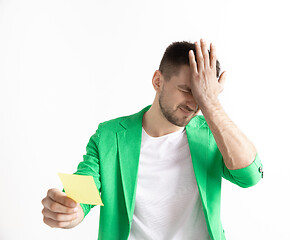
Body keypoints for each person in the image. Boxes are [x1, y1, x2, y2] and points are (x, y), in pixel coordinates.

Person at [41, 39, 264, 240]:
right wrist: (71, 208)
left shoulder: (212, 133)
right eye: (186, 89)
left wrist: (211, 104)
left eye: (201, 94)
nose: (194, 104)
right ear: (158, 81)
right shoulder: (109, 135)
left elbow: (250, 176)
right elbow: (83, 186)